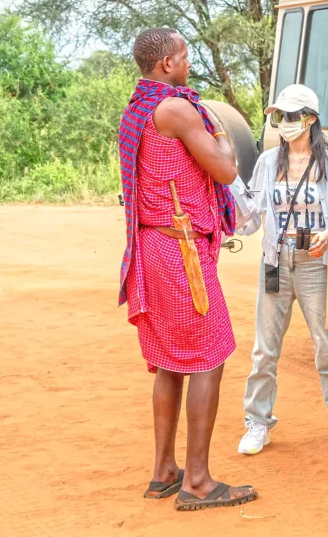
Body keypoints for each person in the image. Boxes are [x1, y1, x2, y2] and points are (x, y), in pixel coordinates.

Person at [118, 27, 257, 511]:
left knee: (170, 361)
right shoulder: (175, 109)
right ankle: (196, 481)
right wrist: (219, 129)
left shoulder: (138, 107)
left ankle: (163, 471)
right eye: (183, 56)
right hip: (182, 254)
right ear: (165, 65)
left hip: (154, 246)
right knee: (209, 357)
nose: (188, 63)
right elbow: (224, 169)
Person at [236, 84, 328, 458]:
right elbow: (251, 218)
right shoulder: (267, 162)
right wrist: (225, 185)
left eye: (291, 116)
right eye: (279, 117)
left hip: (314, 265)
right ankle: (257, 422)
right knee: (264, 351)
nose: (284, 123)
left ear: (310, 119)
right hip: (275, 260)